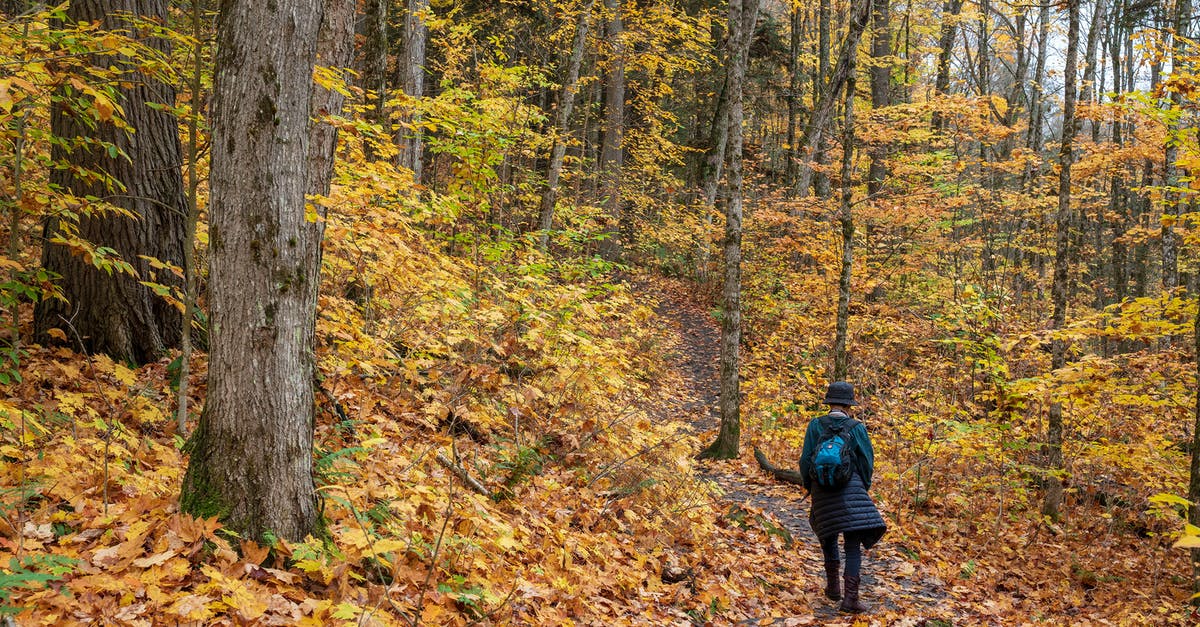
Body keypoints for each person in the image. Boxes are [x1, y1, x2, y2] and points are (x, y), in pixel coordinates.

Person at [798, 381, 887, 613]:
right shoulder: (856, 427)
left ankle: (833, 589)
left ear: (829, 402)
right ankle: (850, 600)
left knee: (827, 535)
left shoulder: (815, 425)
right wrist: (862, 488)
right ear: (849, 405)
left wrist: (811, 487)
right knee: (852, 546)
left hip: (821, 491)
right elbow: (867, 462)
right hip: (852, 490)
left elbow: (806, 460)